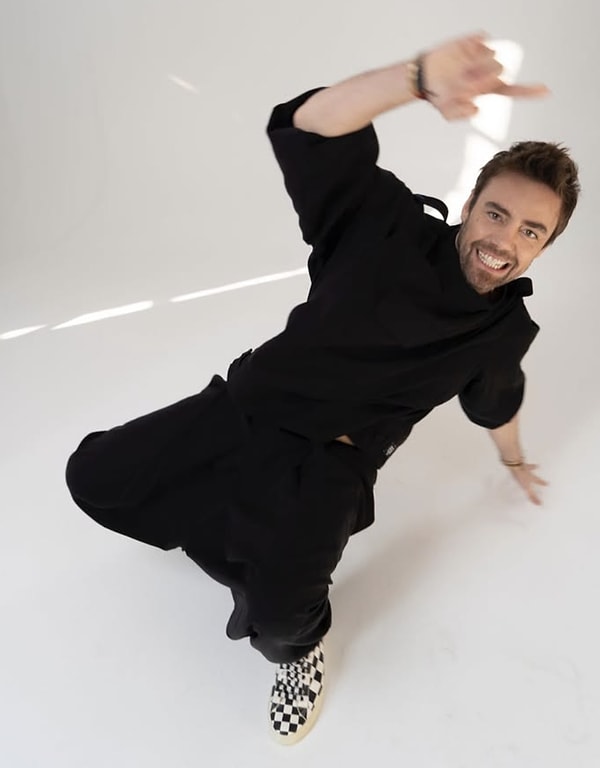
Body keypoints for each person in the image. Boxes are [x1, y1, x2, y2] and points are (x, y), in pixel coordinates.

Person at [65, 33, 580, 745]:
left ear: (544, 246)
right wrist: (417, 77)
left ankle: (301, 649)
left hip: (332, 464)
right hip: (253, 404)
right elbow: (310, 128)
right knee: (94, 479)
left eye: (531, 231)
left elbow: (496, 397)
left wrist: (513, 457)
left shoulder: (505, 330)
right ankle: (218, 531)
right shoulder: (385, 228)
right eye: (497, 213)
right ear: (471, 203)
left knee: (282, 619)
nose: (505, 241)